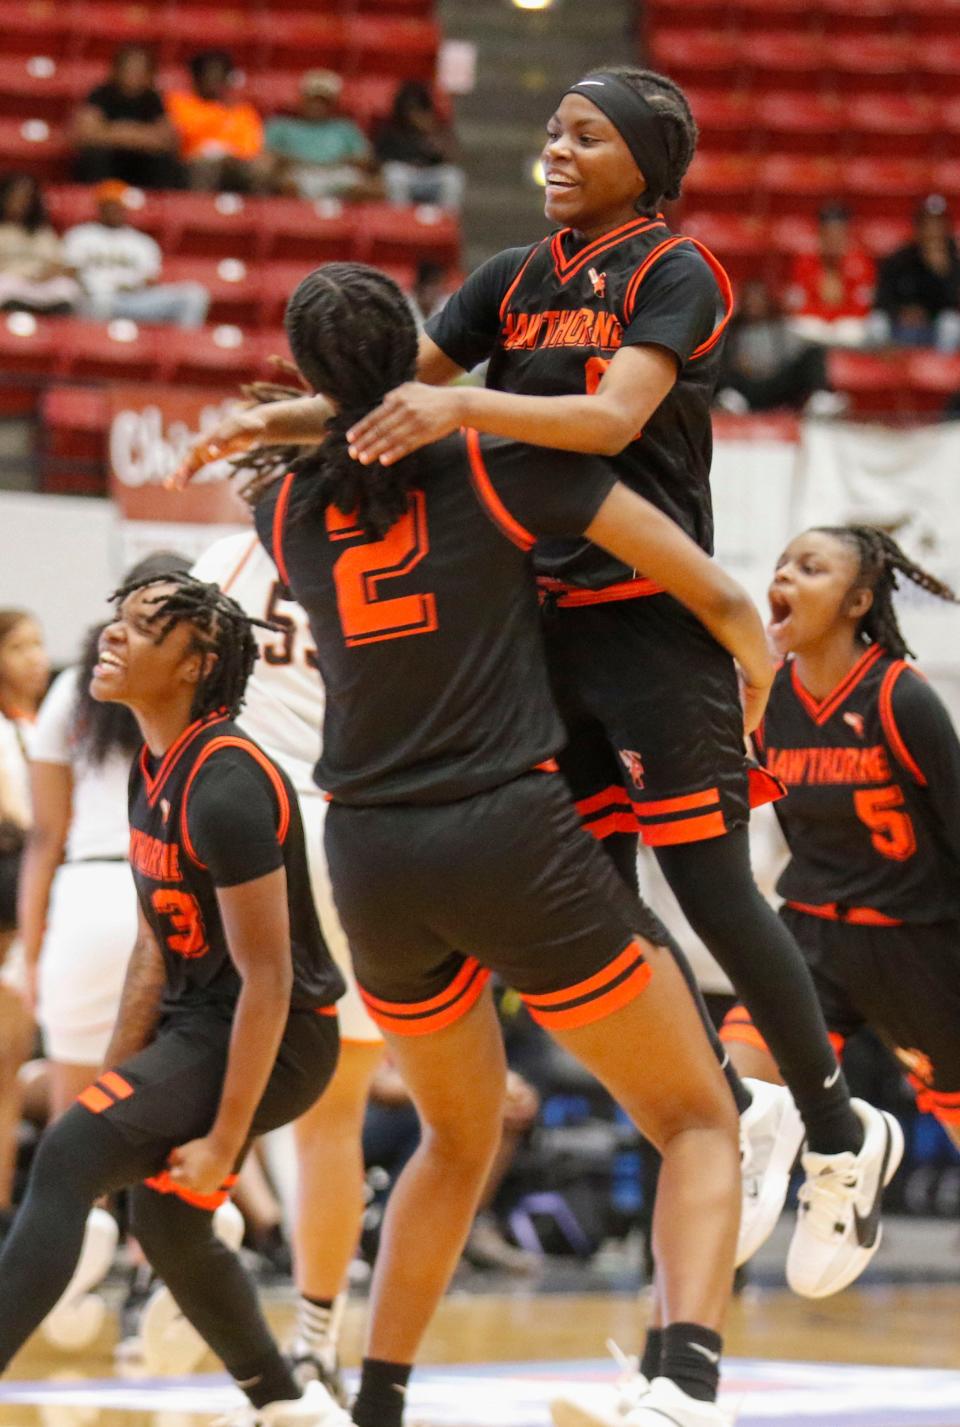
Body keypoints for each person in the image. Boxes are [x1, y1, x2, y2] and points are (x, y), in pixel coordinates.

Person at [195, 67, 902, 1321]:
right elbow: (390, 393)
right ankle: (734, 1114)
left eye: (587, 136)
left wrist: (460, 399)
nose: (557, 153)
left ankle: (842, 1131)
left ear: (648, 154)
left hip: (652, 616)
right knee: (603, 921)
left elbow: (613, 412)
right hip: (542, 633)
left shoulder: (675, 270)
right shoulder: (515, 278)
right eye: (554, 133)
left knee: (711, 890)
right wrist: (286, 421)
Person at [179, 259, 781, 1427]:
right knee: (702, 1115)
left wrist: (295, 415)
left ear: (311, 378)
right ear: (421, 348)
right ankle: (684, 1388)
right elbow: (713, 595)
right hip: (505, 833)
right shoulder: (504, 465)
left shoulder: (282, 505)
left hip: (369, 859)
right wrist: (762, 691)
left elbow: (348, 419)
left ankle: (378, 1401)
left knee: (453, 1133)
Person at [0, 570, 349, 1427]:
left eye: (142, 627)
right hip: (203, 1024)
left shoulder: (228, 783)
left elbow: (268, 979)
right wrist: (119, 1082)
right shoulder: (152, 765)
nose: (111, 635)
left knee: (67, 1157)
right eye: (114, 618)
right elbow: (154, 946)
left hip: (282, 1033)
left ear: (196, 662)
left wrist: (225, 1144)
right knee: (163, 1211)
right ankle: (287, 1404)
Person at [721, 527, 960, 1260]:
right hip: (814, 933)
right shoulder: (768, 695)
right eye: (782, 561)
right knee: (727, 1087)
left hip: (917, 943)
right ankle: (829, 1164)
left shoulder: (901, 698)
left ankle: (857, 1156)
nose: (785, 574)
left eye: (811, 567)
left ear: (858, 601)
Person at [189, 530, 385, 1401]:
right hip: (355, 834)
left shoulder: (227, 554)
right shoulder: (397, 539)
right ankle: (316, 1339)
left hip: (245, 822)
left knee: (193, 1063)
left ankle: (177, 1260)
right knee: (333, 1119)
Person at [0, 608, 48, 1241]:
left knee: (10, 1065)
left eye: (40, 644)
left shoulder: (53, 729)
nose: (35, 657)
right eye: (20, 645)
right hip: (8, 905)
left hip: (41, 915)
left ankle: (10, 1210)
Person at [63, 179, 209, 328]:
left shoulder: (142, 242)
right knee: (95, 299)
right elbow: (70, 272)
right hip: (93, 299)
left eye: (118, 205)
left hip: (133, 299)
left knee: (193, 295)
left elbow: (150, 280)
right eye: (109, 205)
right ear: (100, 207)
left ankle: (181, 348)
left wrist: (129, 286)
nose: (114, 210)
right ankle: (94, 347)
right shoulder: (80, 235)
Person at [715, 278, 839, 416]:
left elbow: (794, 355)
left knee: (814, 350)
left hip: (775, 384)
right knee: (716, 354)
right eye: (750, 300)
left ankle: (818, 399)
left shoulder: (781, 327)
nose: (754, 304)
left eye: (758, 299)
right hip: (743, 389)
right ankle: (729, 400)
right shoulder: (732, 330)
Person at [71, 44, 182, 191]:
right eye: (130, 68)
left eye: (141, 69)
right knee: (95, 156)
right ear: (117, 69)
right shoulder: (100, 95)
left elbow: (168, 140)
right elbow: (87, 135)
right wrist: (139, 135)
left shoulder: (154, 99)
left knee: (164, 162)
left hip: (141, 164)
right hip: (109, 163)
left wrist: (119, 131)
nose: (135, 74)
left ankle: (158, 207)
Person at [265, 71, 381, 204]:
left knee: (372, 188)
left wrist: (338, 161)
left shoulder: (345, 128)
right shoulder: (281, 126)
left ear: (333, 103)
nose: (317, 105)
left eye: (323, 101)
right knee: (286, 184)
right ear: (302, 99)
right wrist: (295, 161)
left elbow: (364, 158)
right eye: (313, 99)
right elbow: (266, 156)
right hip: (299, 172)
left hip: (337, 172)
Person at [166, 50, 267, 194]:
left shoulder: (242, 111)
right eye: (208, 75)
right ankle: (198, 212)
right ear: (197, 77)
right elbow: (178, 141)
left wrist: (229, 157)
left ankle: (257, 215)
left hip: (234, 164)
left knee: (261, 169)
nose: (214, 81)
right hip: (193, 163)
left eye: (219, 76)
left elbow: (250, 148)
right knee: (204, 168)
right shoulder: (177, 104)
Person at [870, 194, 960, 353]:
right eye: (927, 224)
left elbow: (953, 304)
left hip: (934, 329)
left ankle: (941, 373)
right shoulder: (900, 259)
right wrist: (900, 312)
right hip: (900, 326)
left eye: (937, 224)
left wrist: (941, 272)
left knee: (951, 324)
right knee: (876, 323)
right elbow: (881, 299)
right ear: (918, 227)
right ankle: (882, 372)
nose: (932, 230)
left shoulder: (954, 262)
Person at [784, 203, 875, 349]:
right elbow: (798, 305)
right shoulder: (805, 261)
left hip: (848, 324)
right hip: (814, 324)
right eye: (828, 234)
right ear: (820, 234)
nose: (833, 240)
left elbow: (862, 306)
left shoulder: (860, 262)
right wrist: (826, 319)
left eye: (838, 234)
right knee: (797, 328)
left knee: (858, 330)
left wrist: (835, 319)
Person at [374, 81, 464, 212]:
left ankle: (445, 221)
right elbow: (380, 162)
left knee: (453, 176)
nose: (413, 113)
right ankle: (400, 219)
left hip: (430, 177)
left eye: (418, 108)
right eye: (410, 108)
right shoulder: (390, 131)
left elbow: (452, 158)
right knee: (394, 174)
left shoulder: (436, 130)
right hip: (406, 177)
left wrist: (430, 135)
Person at [0, 173, 80, 315]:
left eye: (26, 197)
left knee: (67, 288)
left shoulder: (43, 233)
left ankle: (56, 328)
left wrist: (48, 274)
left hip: (42, 285)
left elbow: (62, 264)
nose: (21, 202)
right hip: (12, 282)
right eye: (16, 196)